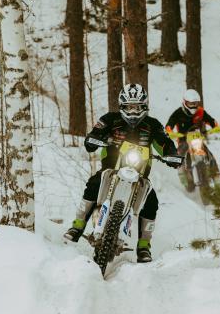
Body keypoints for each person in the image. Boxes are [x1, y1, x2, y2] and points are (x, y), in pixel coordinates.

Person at [64, 83, 180, 263]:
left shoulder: (153, 125)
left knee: (152, 201)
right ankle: (77, 227)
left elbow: (164, 142)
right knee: (94, 184)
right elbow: (95, 133)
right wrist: (93, 139)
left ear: (144, 106)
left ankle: (143, 246)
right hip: (111, 169)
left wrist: (172, 155)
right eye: (129, 107)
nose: (133, 112)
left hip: (140, 174)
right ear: (122, 106)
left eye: (137, 107)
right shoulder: (110, 120)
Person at [165, 89, 220, 191]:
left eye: (195, 103)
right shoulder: (178, 113)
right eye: (190, 103)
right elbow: (169, 125)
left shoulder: (200, 112)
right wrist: (171, 133)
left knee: (210, 156)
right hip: (183, 140)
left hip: (197, 139)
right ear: (185, 102)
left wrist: (215, 127)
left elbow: (212, 121)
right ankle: (183, 177)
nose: (193, 106)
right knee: (179, 156)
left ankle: (217, 181)